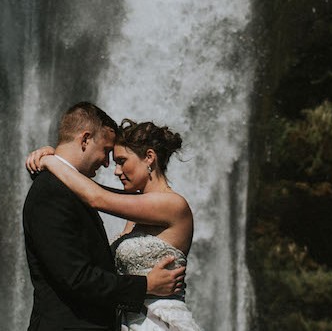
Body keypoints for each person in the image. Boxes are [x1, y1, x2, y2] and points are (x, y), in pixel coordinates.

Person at [25, 118, 201, 331]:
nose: (115, 170)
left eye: (121, 161)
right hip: (128, 322)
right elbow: (88, 189)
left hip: (160, 321)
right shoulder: (136, 213)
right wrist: (55, 158)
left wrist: (52, 162)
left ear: (149, 157)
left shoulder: (173, 204)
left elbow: (96, 197)